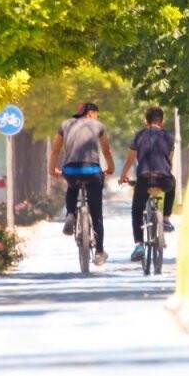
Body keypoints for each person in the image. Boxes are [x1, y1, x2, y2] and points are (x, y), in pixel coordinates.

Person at [50, 102, 115, 265]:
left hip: (70, 170)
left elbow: (55, 150)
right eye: (97, 114)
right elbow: (106, 150)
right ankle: (99, 252)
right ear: (91, 113)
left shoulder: (65, 125)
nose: (97, 117)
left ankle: (70, 214)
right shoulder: (98, 126)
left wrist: (52, 169)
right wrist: (110, 167)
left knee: (72, 187)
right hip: (92, 171)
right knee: (97, 213)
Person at [118, 106, 176, 262]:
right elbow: (169, 162)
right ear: (162, 121)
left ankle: (139, 245)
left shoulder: (139, 136)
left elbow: (130, 160)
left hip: (144, 179)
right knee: (172, 182)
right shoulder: (169, 137)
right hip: (163, 179)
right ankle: (166, 218)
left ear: (146, 121)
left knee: (136, 210)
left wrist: (123, 176)